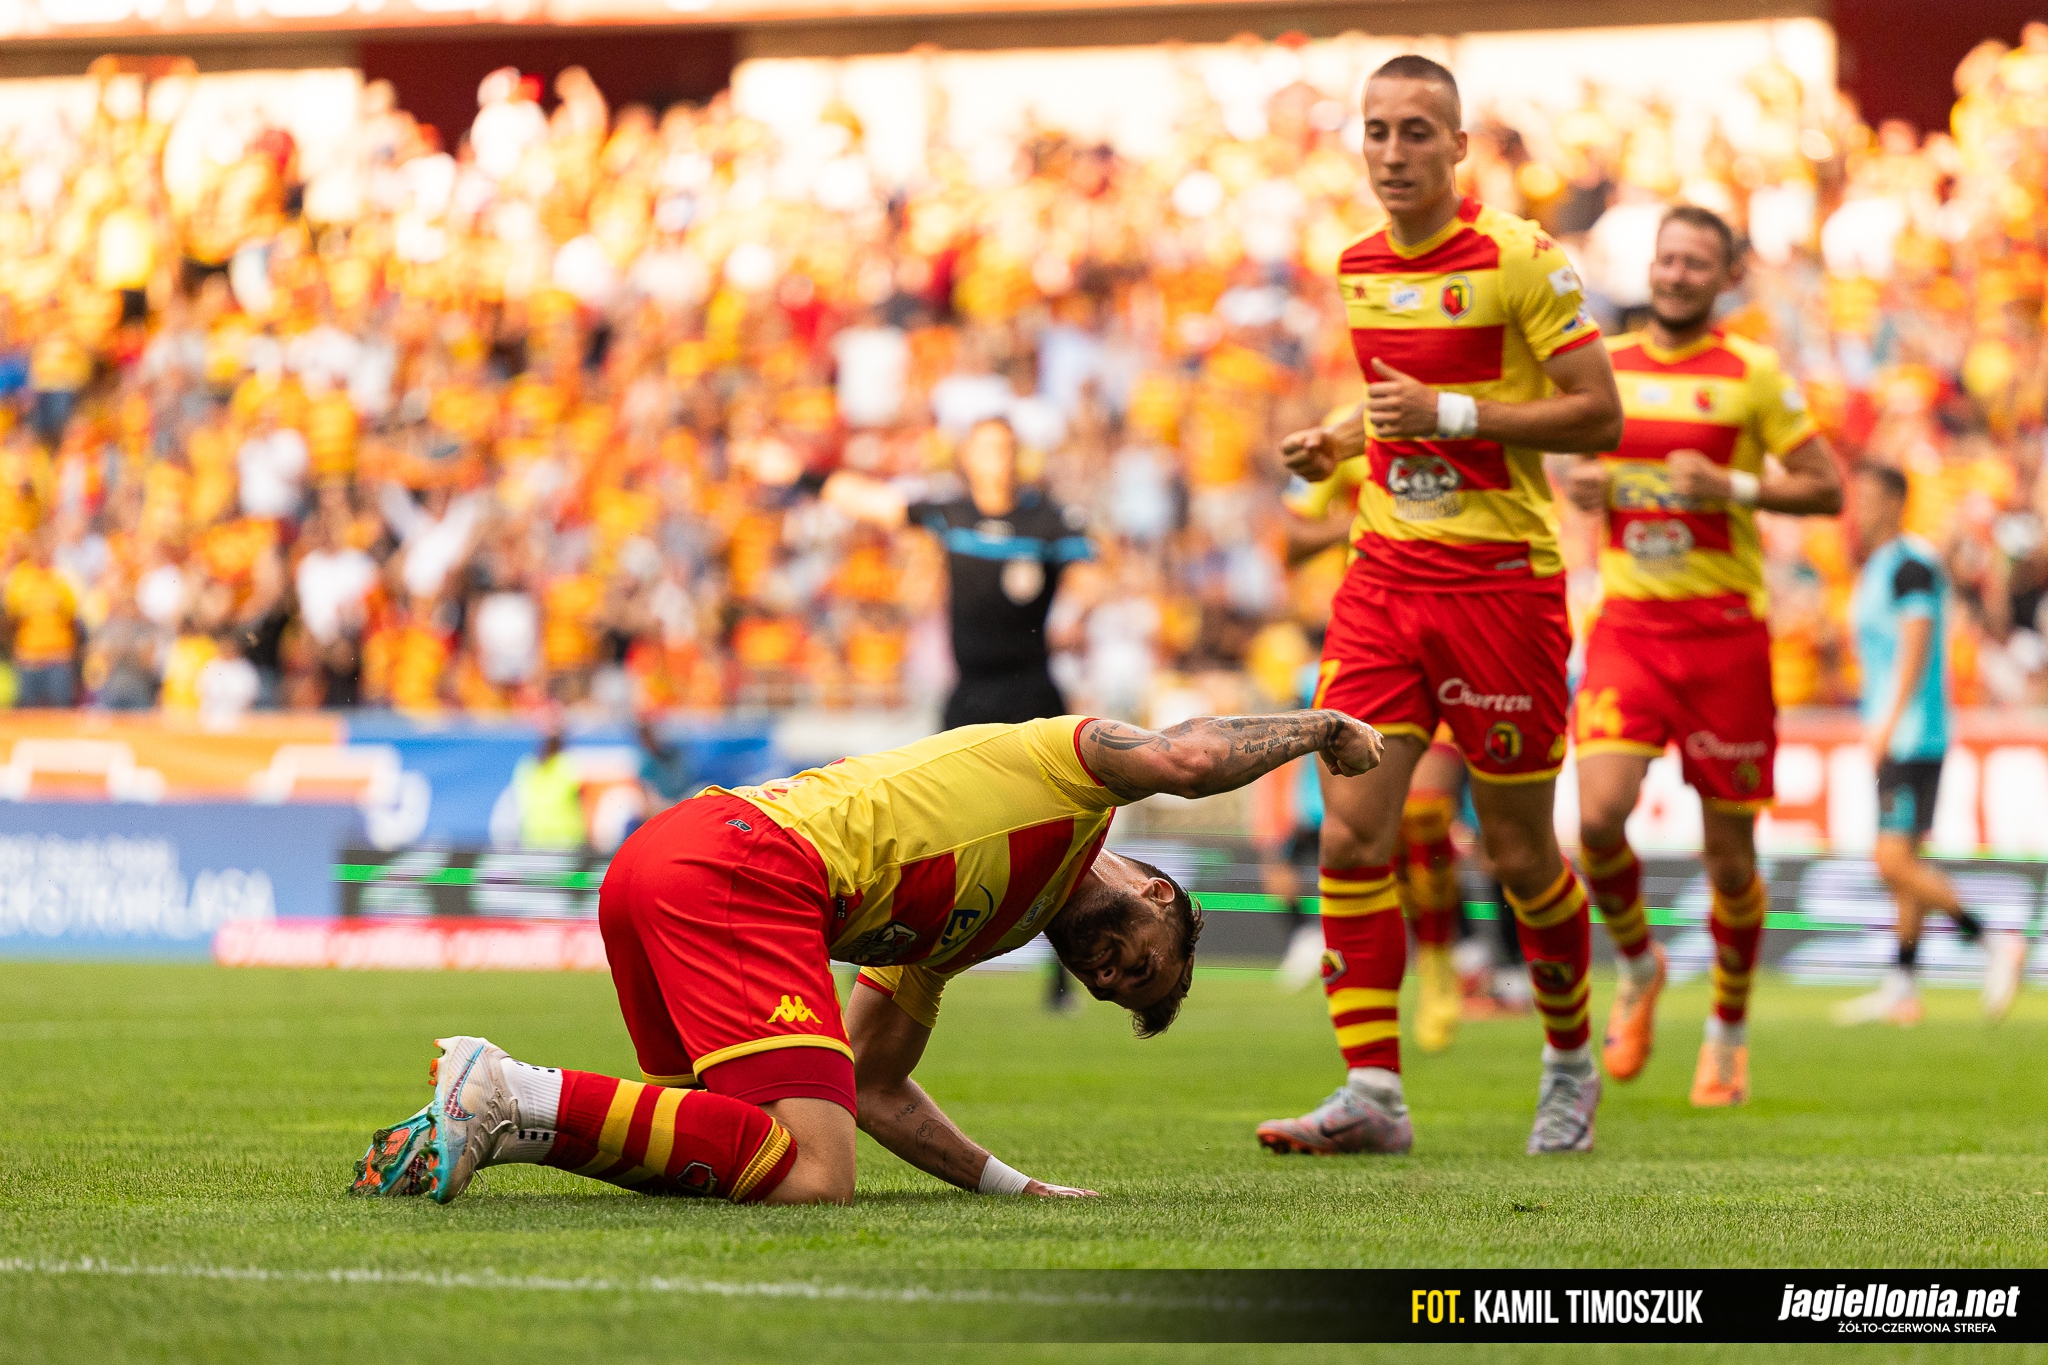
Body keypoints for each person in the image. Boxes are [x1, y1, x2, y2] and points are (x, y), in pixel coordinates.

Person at [351, 709, 1385, 1206]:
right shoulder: (1074, 782)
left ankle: (477, 1119)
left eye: (1117, 991)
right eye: (1144, 966)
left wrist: (1015, 1189)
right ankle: (506, 1092)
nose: (1112, 977)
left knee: (726, 1146)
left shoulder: (990, 927)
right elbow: (1189, 759)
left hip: (668, 862)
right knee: (814, 1176)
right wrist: (1321, 730)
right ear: (1159, 894)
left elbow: (876, 1083)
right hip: (745, 864)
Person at [1262, 54, 1624, 1158]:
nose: (1391, 152)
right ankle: (1371, 1091)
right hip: (1382, 580)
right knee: (1350, 833)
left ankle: (1569, 1063)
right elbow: (1394, 406)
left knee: (1518, 853)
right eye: (1375, 131)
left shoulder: (1522, 257)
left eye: (1415, 131)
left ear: (1458, 147)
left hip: (1501, 588)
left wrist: (1451, 413)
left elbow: (1597, 415)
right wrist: (1341, 437)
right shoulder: (1357, 265)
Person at [1561, 205, 1844, 1107]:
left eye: (1696, 262)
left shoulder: (1752, 373)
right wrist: (1582, 483)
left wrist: (1735, 486)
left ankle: (1727, 1028)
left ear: (1727, 278)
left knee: (1730, 857)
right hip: (1630, 630)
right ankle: (1640, 963)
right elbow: (1566, 467)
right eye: (1667, 258)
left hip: (1724, 640)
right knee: (1596, 819)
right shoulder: (1606, 366)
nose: (1677, 274)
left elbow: (1826, 487)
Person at [826, 415, 1093, 1010]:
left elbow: (1089, 578)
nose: (999, 458)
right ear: (967, 458)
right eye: (988, 448)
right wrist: (805, 475)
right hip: (969, 695)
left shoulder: (1048, 520)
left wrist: (1077, 614)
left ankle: (1063, 977)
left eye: (1007, 447)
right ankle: (872, 951)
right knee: (924, 823)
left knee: (1060, 834)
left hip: (1033, 693)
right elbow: (874, 503)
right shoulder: (950, 513)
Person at [1833, 464, 2025, 1025]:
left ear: (1896, 502)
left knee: (1890, 860)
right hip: (1909, 731)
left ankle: (1991, 939)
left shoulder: (1909, 566)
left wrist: (1887, 723)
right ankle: (1902, 985)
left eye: (1871, 497)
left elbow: (1916, 645)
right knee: (1907, 859)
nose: (1861, 508)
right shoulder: (1883, 565)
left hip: (1912, 734)